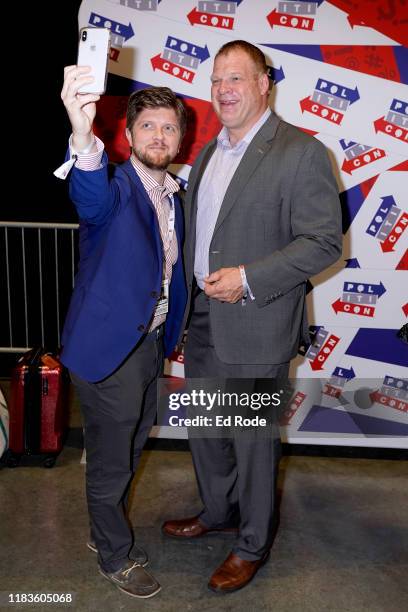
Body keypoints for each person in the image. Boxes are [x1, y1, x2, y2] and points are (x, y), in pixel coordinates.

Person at [162, 40, 342, 593]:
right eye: (217, 80)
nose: (224, 90)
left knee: (251, 440)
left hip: (258, 319)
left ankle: (251, 544)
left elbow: (322, 242)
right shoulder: (210, 152)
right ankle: (219, 512)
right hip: (203, 318)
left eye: (236, 79)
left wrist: (248, 278)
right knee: (207, 429)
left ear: (265, 83)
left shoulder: (301, 152)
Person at [56, 66, 187, 599]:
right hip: (109, 350)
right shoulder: (113, 188)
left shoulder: (176, 195)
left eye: (169, 128)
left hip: (149, 346)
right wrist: (83, 133)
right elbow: (89, 196)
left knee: (131, 448)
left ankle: (101, 531)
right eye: (148, 126)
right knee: (112, 463)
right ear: (128, 136)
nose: (159, 135)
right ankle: (113, 554)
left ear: (181, 137)